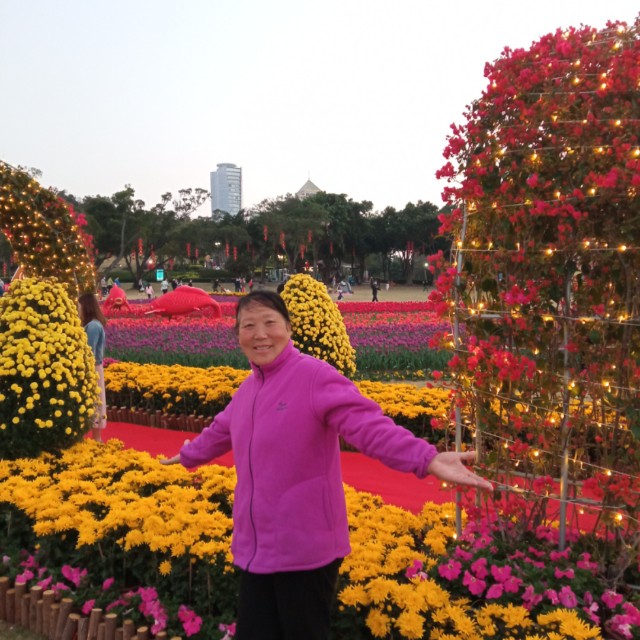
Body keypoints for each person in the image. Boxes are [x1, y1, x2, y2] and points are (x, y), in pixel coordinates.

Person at [161, 291, 492, 640]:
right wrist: (189, 455)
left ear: (289, 328)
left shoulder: (314, 377)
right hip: (255, 549)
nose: (260, 334)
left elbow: (367, 425)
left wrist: (427, 458)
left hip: (305, 549)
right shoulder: (248, 390)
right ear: (238, 335)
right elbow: (220, 431)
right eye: (248, 326)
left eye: (270, 323)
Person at [78, 293, 107, 442]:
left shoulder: (93, 326)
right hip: (94, 367)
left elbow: (89, 352)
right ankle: (95, 438)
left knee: (94, 401)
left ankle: (97, 439)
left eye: (79, 306)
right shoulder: (92, 324)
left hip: (92, 369)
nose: (78, 310)